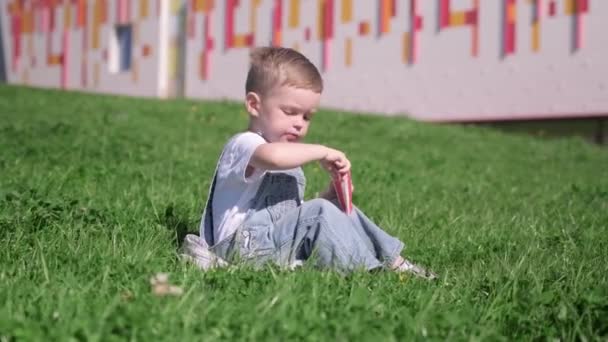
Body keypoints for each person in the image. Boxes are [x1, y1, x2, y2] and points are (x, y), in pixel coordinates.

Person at [181, 46, 437, 279]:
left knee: (335, 209)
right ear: (254, 105)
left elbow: (294, 216)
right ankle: (368, 274)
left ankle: (396, 263)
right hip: (239, 247)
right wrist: (322, 152)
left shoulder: (289, 159)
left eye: (307, 116)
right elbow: (273, 157)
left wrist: (331, 196)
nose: (299, 123)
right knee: (319, 213)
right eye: (290, 112)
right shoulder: (244, 144)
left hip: (270, 243)